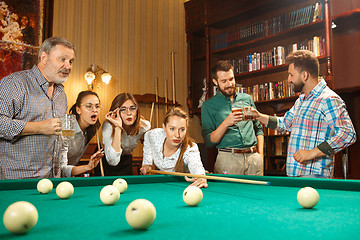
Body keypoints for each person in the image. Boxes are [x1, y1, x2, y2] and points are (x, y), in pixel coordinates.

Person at [250, 50, 356, 178]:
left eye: (291, 75)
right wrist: (258, 116)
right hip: (295, 175)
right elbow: (285, 124)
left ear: (304, 75)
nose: (288, 80)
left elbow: (348, 134)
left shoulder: (329, 99)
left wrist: (312, 153)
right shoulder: (301, 100)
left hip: (315, 177)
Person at [0, 36, 76, 179]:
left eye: (71, 61)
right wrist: (39, 127)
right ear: (44, 57)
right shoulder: (15, 83)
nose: (68, 66)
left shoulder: (61, 94)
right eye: (62, 59)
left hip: (51, 179)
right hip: (17, 181)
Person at [201, 60, 264, 176]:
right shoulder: (208, 106)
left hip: (254, 159)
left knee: (258, 193)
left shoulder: (247, 99)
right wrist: (226, 123)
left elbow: (258, 128)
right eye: (224, 81)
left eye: (231, 79)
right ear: (215, 82)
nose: (229, 84)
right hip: (228, 160)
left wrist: (260, 155)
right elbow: (209, 142)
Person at [140, 107, 208, 188]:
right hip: (158, 186)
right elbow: (147, 137)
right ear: (164, 127)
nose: (177, 135)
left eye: (182, 129)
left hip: (179, 187)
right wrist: (147, 163)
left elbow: (196, 165)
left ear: (186, 129)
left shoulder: (190, 148)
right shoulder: (155, 135)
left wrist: (200, 177)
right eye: (172, 129)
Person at [95, 93, 151, 176]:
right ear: (116, 112)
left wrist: (147, 163)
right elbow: (113, 161)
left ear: (137, 110)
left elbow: (148, 146)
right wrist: (118, 127)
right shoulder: (108, 125)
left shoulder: (144, 126)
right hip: (106, 160)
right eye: (123, 109)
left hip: (126, 160)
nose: (129, 113)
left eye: (132, 108)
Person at [60, 91, 105, 177]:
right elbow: (62, 169)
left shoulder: (92, 128)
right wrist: (87, 167)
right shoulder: (66, 127)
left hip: (69, 179)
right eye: (88, 106)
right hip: (51, 178)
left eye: (97, 106)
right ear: (78, 110)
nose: (94, 110)